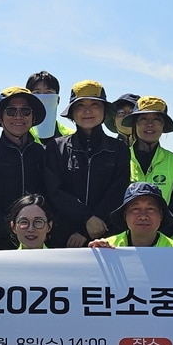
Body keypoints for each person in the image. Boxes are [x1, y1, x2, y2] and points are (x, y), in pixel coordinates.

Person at [43, 80, 130, 248]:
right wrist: (86, 219)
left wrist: (88, 229)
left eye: (95, 104)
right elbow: (54, 192)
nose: (87, 111)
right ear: (72, 112)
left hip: (108, 238)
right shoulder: (55, 147)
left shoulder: (119, 149)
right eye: (80, 105)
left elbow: (117, 192)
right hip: (65, 239)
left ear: (104, 110)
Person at [0, 87, 50, 250]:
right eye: (11, 111)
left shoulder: (45, 153)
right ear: (0, 117)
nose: (18, 117)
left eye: (25, 111)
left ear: (33, 117)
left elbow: (51, 195)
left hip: (37, 244)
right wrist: (12, 229)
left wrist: (34, 229)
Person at [122, 96, 173, 238]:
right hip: (125, 243)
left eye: (156, 120)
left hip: (165, 244)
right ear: (135, 124)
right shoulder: (120, 159)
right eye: (143, 119)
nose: (150, 124)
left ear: (163, 126)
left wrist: (154, 237)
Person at [89, 183, 173, 248]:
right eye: (135, 209)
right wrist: (96, 255)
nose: (143, 216)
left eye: (150, 209)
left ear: (161, 215)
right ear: (125, 215)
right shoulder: (108, 248)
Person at [26, 71, 73, 140]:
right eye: (37, 93)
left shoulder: (71, 137)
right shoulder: (21, 136)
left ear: (58, 100)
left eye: (48, 92)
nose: (43, 98)